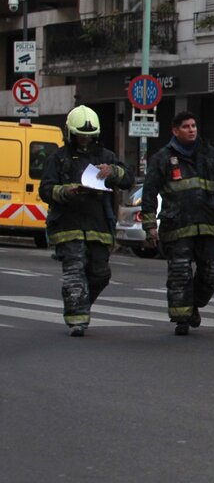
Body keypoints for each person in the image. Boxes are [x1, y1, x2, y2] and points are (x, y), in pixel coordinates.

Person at [142, 111, 214, 336]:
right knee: (180, 273)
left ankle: (193, 303)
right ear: (175, 131)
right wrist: (150, 226)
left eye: (193, 125)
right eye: (185, 126)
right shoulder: (162, 159)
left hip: (209, 224)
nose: (191, 129)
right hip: (177, 226)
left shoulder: (211, 155)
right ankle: (182, 318)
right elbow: (149, 194)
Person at [39, 105, 133, 336]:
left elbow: (127, 179)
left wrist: (112, 171)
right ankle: (77, 321)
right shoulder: (59, 158)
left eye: (89, 136)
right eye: (81, 135)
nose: (85, 140)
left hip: (98, 226)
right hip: (67, 226)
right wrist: (65, 191)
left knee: (101, 273)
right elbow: (45, 189)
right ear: (71, 134)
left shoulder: (106, 157)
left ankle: (79, 303)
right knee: (75, 273)